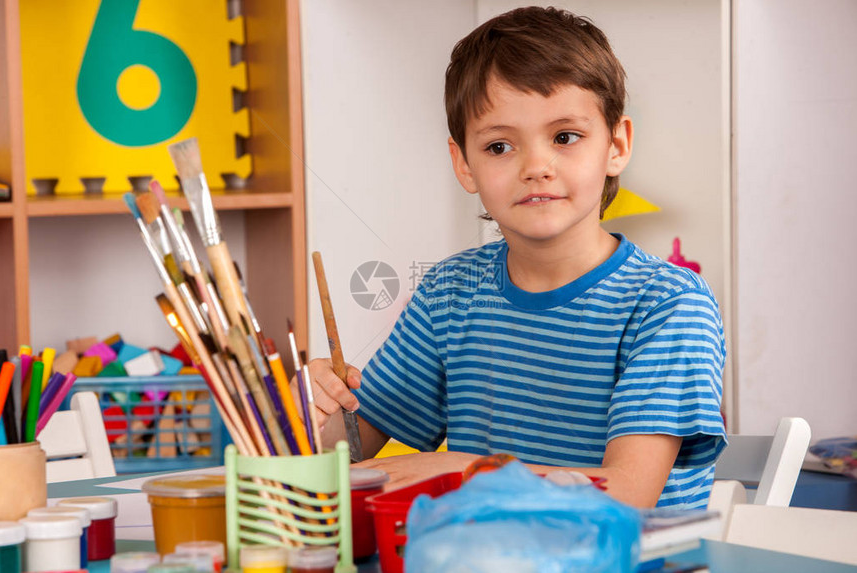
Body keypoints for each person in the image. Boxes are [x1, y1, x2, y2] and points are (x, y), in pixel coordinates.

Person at [304, 6, 726, 509]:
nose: (536, 167)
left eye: (565, 137)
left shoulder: (669, 305)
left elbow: (627, 493)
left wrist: (462, 469)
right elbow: (343, 453)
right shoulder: (449, 292)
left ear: (616, 145)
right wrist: (312, 409)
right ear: (464, 164)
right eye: (500, 146)